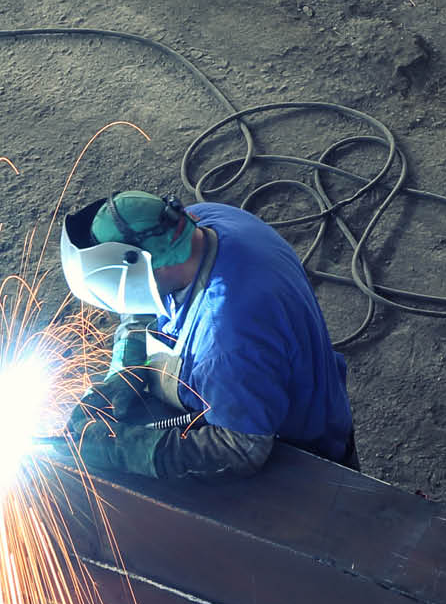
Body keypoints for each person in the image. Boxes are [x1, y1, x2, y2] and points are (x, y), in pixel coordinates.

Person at [58, 190, 355, 479]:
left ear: (143, 268)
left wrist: (129, 451)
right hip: (263, 385)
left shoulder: (226, 339)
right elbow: (143, 299)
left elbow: (241, 447)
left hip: (298, 449)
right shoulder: (203, 220)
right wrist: (125, 369)